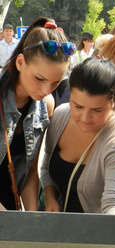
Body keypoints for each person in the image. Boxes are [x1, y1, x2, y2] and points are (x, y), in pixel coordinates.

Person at [39, 58, 115, 223]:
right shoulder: (60, 116)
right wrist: (50, 197)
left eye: (97, 110)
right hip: (71, 231)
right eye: (77, 106)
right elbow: (46, 166)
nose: (85, 118)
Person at [0, 17, 74, 211]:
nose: (46, 89)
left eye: (55, 82)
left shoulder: (47, 105)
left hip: (11, 204)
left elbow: (32, 170)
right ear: (20, 62)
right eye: (39, 78)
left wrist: (31, 218)